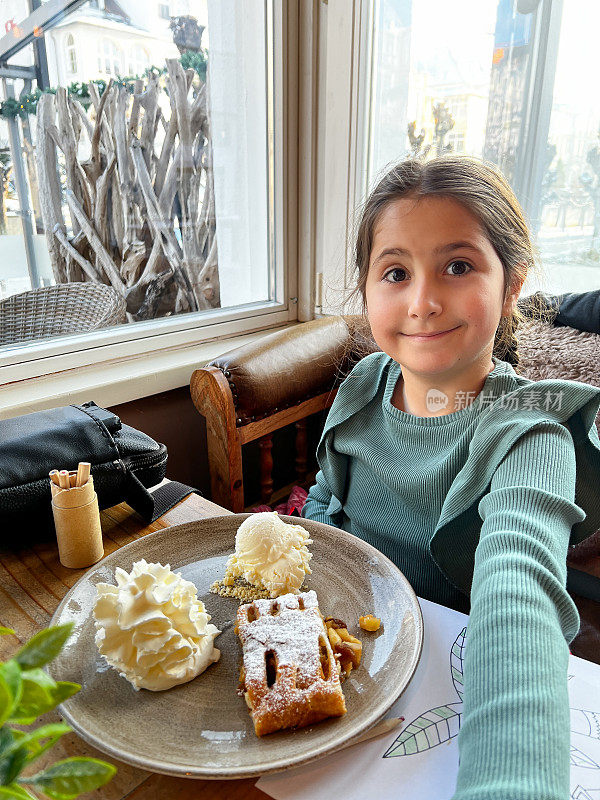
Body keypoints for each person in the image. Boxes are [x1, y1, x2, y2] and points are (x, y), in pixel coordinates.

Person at [302, 155, 600, 800]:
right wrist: (306, 570)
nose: (423, 301)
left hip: (449, 681)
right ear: (367, 288)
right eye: (395, 272)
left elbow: (518, 607)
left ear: (512, 283)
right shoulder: (362, 386)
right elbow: (329, 492)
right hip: (347, 655)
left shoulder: (530, 435)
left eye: (458, 266)